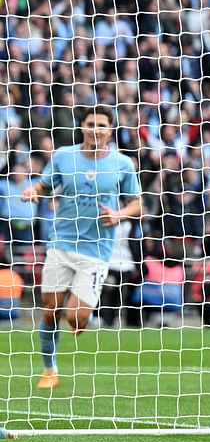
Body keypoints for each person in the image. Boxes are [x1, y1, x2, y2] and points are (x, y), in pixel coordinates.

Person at [22, 105, 143, 388]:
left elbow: (137, 204)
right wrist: (33, 192)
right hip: (61, 242)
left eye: (101, 125)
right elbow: (44, 185)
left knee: (75, 316)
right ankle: (49, 370)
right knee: (50, 309)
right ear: (82, 127)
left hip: (96, 249)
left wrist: (118, 215)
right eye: (90, 124)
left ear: (109, 130)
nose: (95, 130)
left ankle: (80, 316)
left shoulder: (122, 164)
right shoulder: (65, 157)